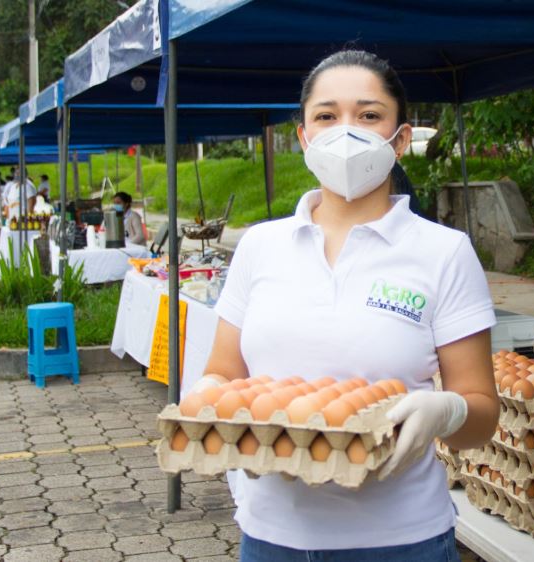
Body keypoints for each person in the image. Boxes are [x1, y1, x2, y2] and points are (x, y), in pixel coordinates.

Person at [190, 50, 498, 561]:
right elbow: (223, 372)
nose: (347, 132)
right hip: (272, 537)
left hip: (400, 540)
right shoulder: (260, 247)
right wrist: (210, 401)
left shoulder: (443, 252)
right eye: (327, 116)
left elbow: (482, 418)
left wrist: (447, 411)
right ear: (305, 136)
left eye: (369, 115)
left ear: (400, 140)